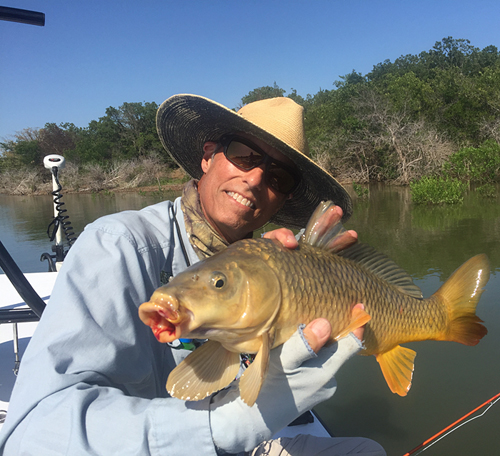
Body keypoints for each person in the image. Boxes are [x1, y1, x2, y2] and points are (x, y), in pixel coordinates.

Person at [0, 95, 386, 455]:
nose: (254, 180)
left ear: (283, 198)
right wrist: (222, 426)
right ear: (207, 157)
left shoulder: (278, 259)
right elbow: (33, 434)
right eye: (243, 155)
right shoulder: (118, 245)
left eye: (278, 177)